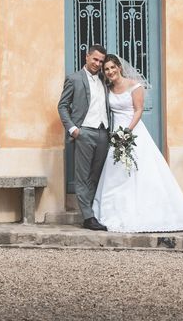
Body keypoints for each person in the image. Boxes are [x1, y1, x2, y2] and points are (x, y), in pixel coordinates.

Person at [93, 54, 183, 233]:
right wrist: (117, 135)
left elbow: (138, 110)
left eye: (113, 67)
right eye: (106, 69)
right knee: (117, 173)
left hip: (132, 132)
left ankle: (147, 212)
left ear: (119, 67)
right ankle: (117, 211)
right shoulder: (108, 88)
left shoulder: (134, 86)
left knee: (140, 172)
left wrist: (127, 132)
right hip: (116, 135)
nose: (110, 71)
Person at [57, 45, 110, 231]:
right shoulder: (74, 79)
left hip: (104, 133)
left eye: (101, 61)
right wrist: (73, 129)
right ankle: (88, 218)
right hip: (84, 132)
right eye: (95, 59)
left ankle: (92, 211)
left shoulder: (105, 80)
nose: (98, 64)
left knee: (96, 175)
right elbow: (62, 106)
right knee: (82, 176)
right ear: (87, 57)